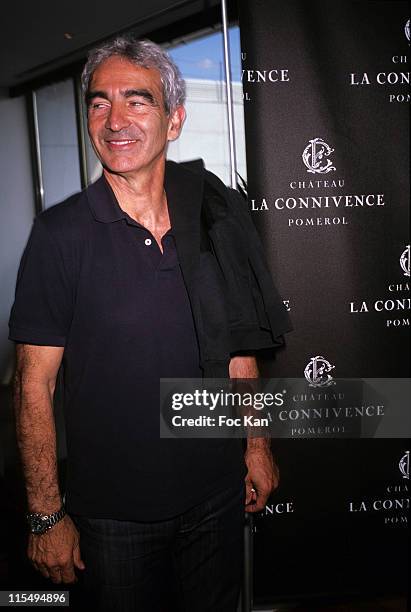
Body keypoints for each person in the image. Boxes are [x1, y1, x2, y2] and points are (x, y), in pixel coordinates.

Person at [9, 36, 291, 611]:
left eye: (137, 101)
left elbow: (238, 348)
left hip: (216, 495)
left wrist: (256, 445)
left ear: (174, 119)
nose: (115, 120)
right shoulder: (59, 236)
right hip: (114, 519)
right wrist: (45, 516)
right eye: (98, 102)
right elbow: (33, 385)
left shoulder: (211, 220)